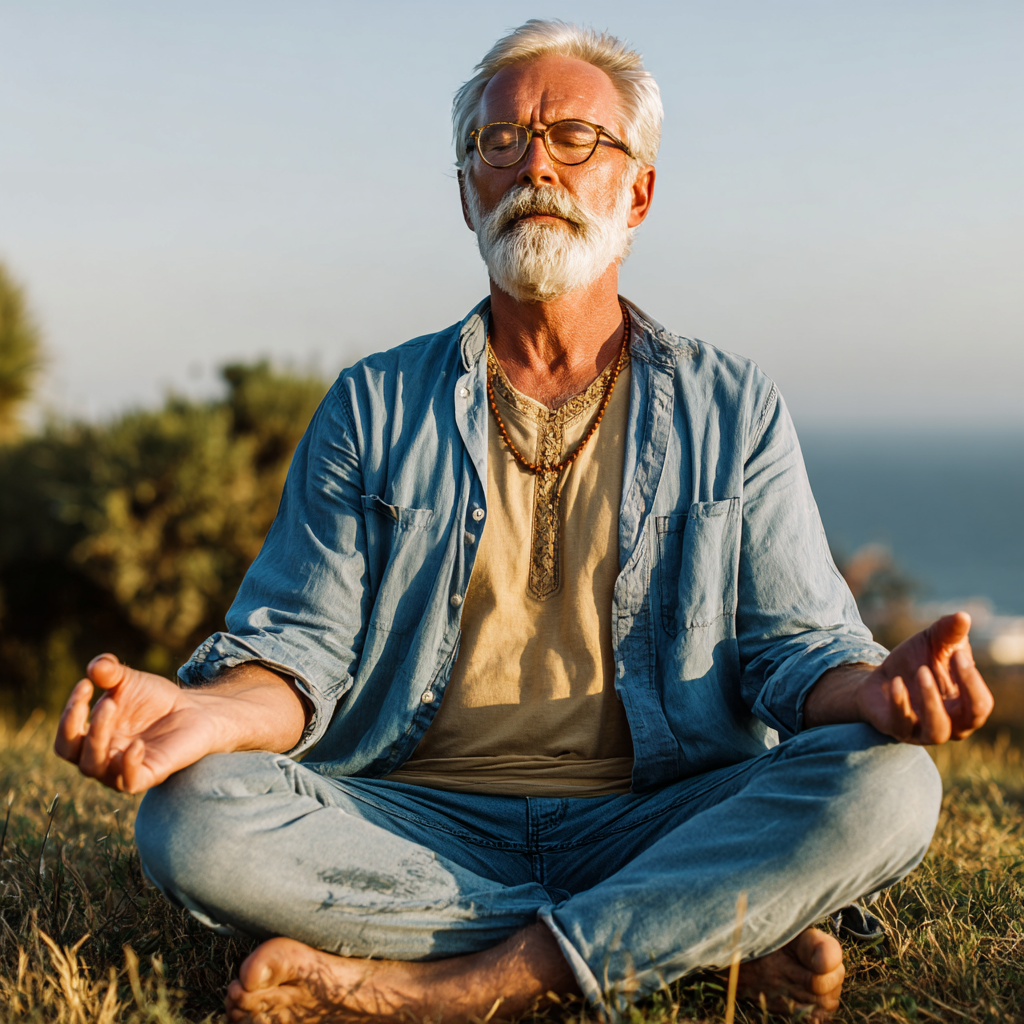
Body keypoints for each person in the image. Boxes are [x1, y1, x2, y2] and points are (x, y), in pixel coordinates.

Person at [56, 20, 993, 1023]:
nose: (533, 162)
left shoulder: (732, 403)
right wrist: (209, 713)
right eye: (499, 142)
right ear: (467, 191)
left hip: (655, 814)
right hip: (409, 816)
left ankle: (445, 984)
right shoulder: (372, 405)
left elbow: (794, 656)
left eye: (573, 138)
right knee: (193, 818)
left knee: (890, 785)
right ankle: (680, 936)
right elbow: (298, 656)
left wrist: (877, 690)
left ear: (636, 192)